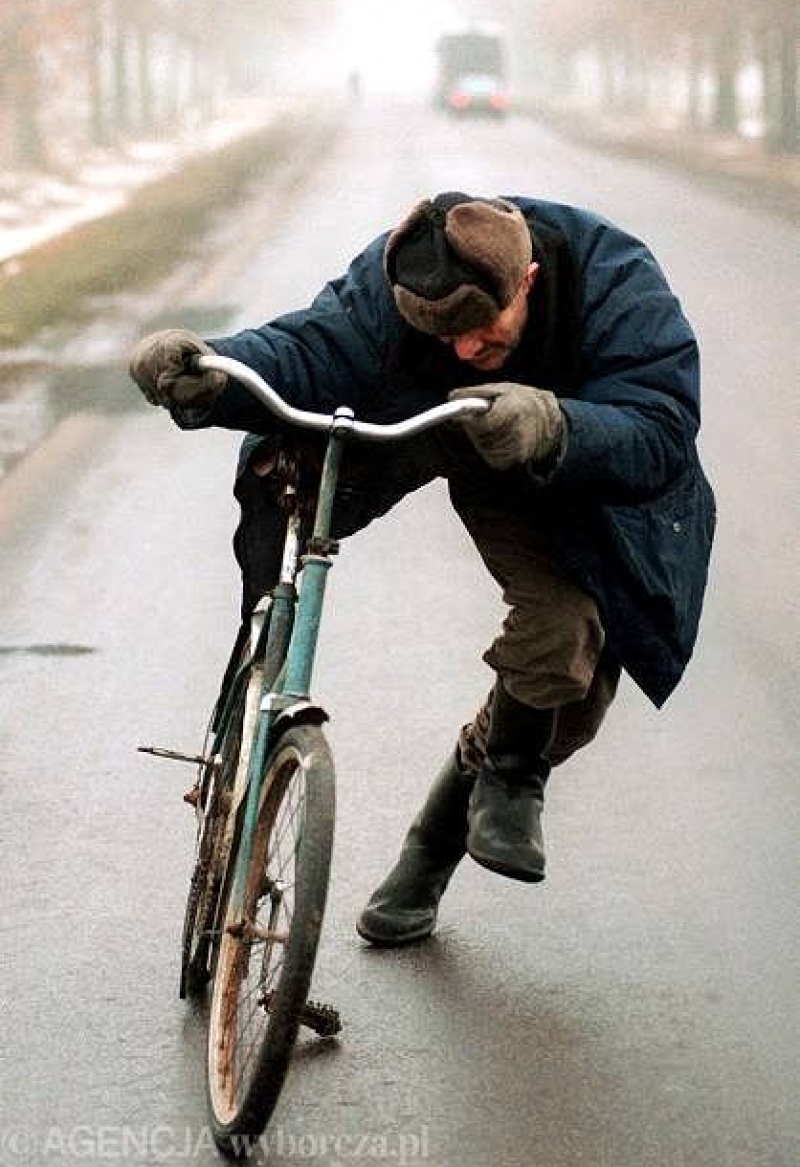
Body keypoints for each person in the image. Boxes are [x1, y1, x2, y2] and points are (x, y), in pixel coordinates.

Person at [129, 191, 715, 946]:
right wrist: (213, 370)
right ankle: (490, 794)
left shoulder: (616, 277)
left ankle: (434, 846)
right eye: (444, 335)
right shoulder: (393, 279)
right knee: (558, 628)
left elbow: (661, 424)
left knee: (568, 706)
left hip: (589, 472)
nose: (465, 349)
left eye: (482, 328)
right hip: (468, 445)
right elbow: (313, 349)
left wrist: (556, 422)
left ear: (528, 280)